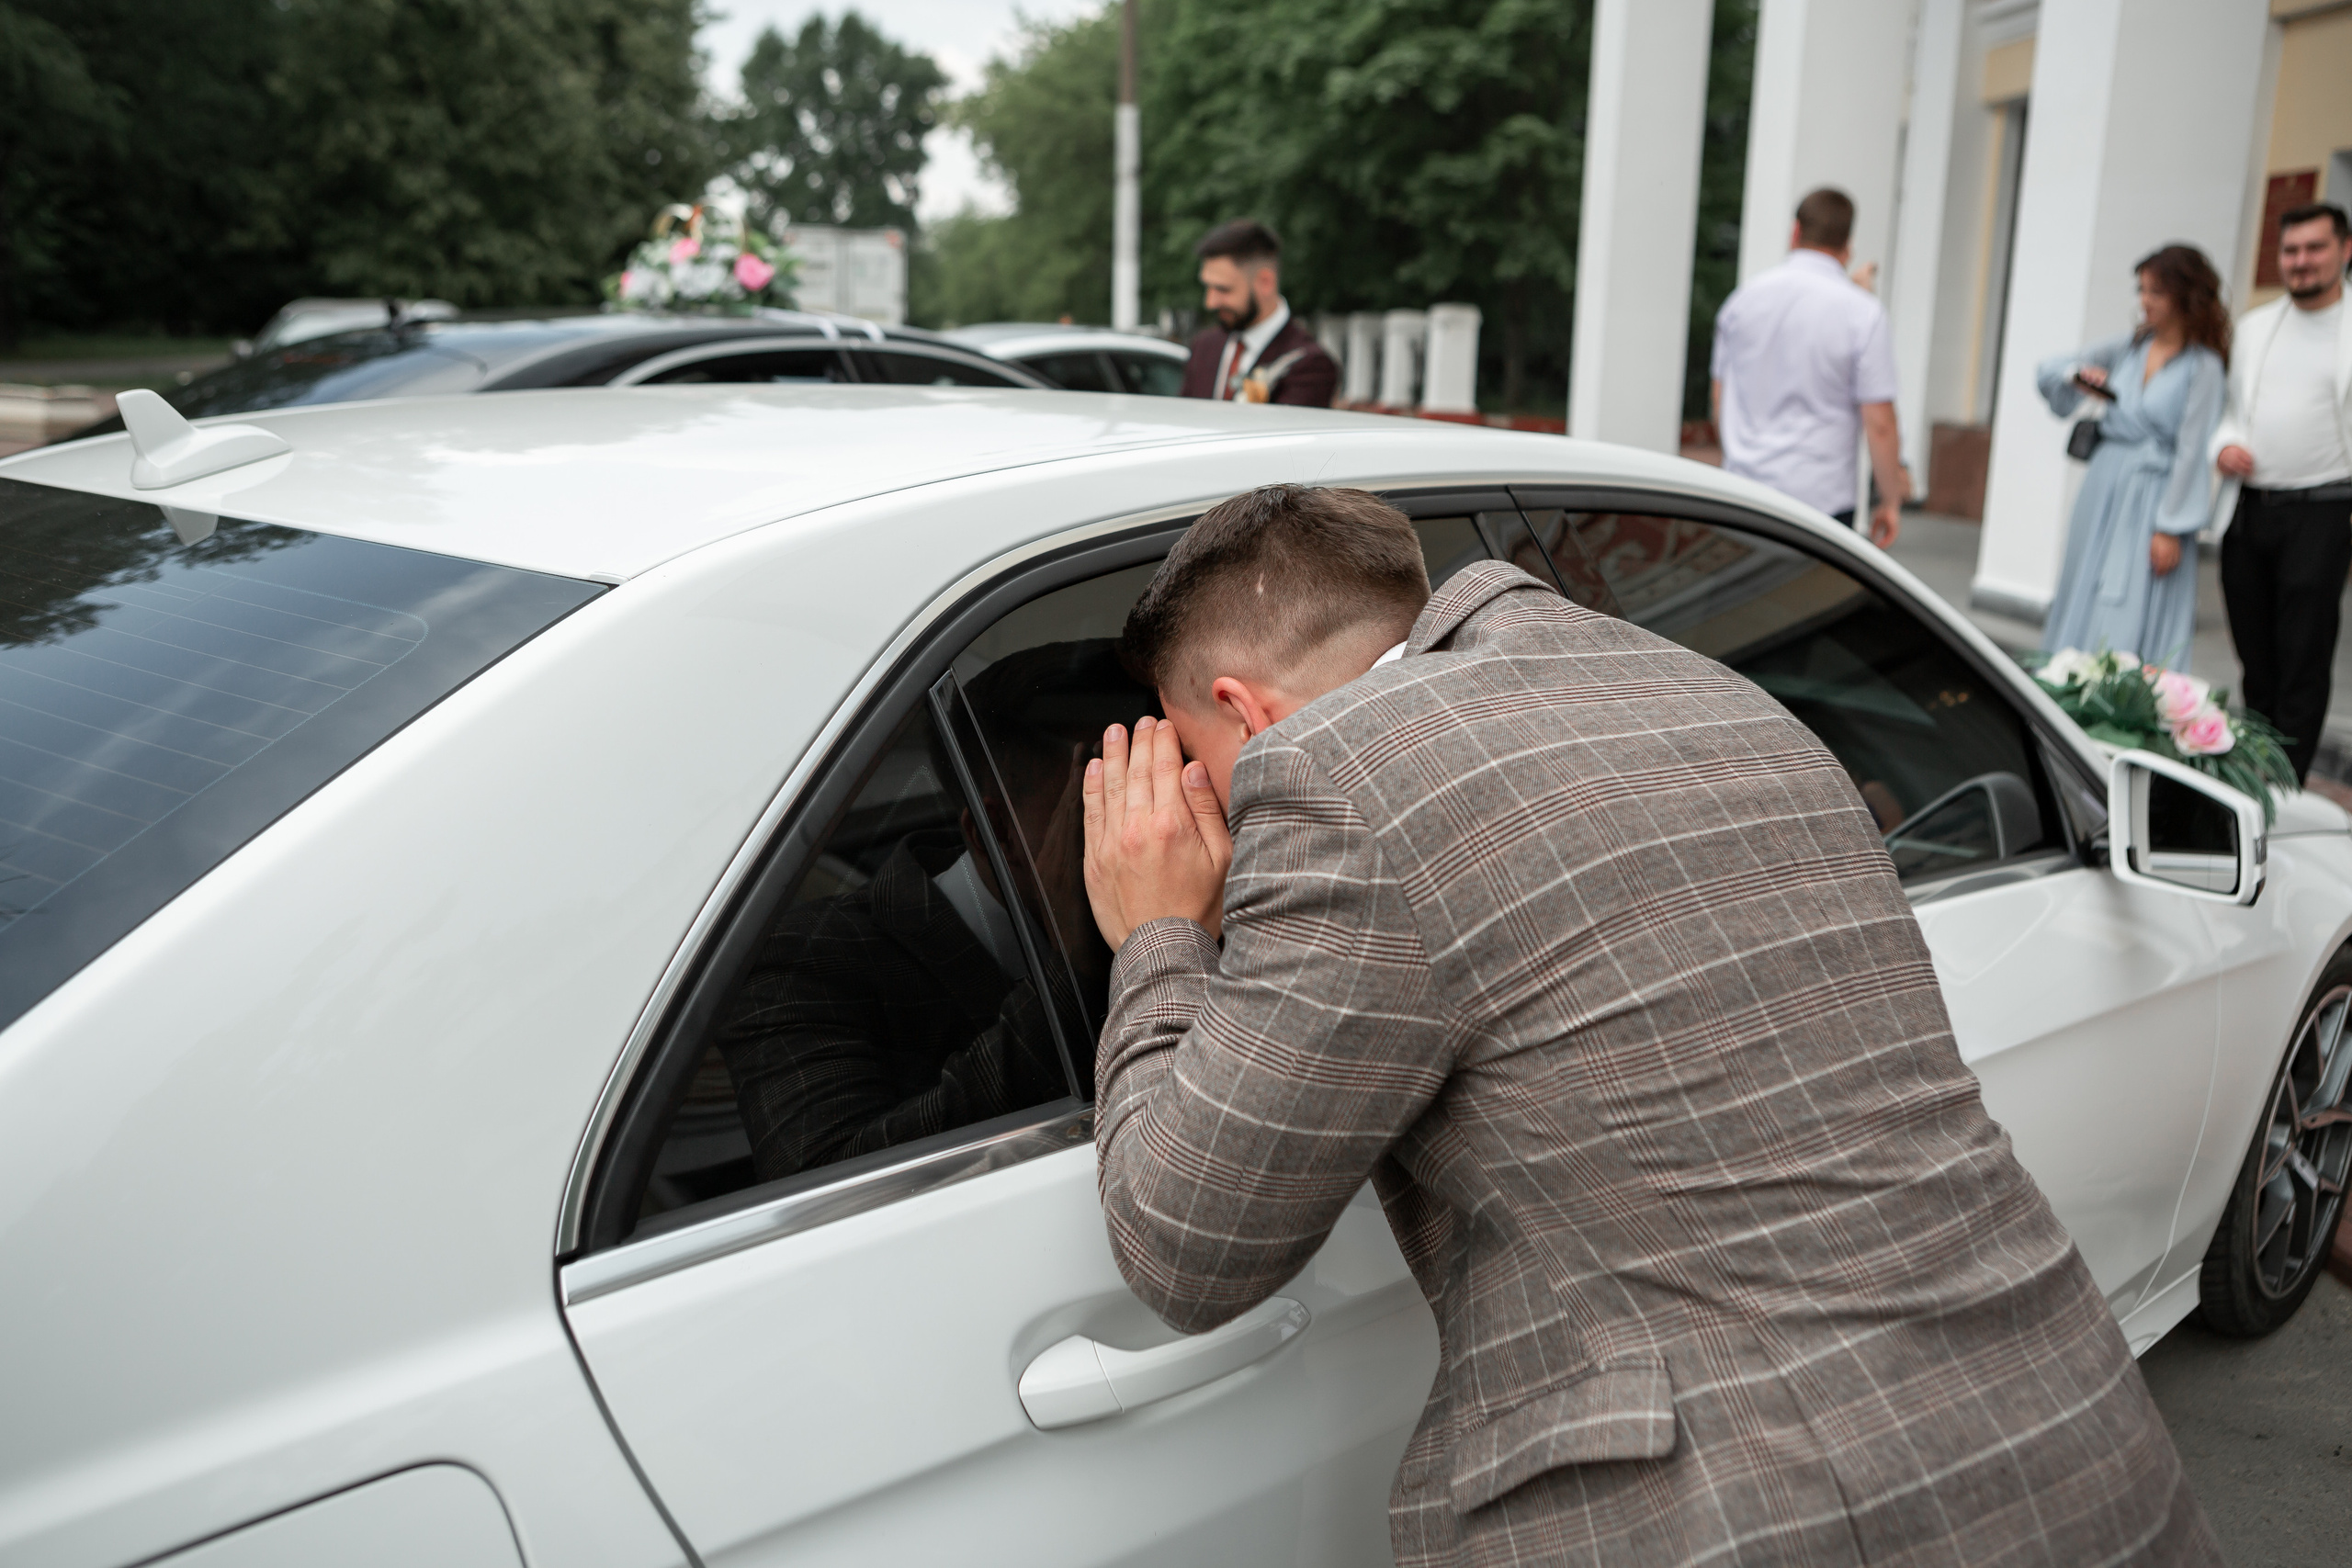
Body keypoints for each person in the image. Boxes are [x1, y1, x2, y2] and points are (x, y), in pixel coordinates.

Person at [1080, 484, 2218, 1567]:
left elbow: (1187, 1245)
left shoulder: (1332, 774)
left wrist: (1155, 934)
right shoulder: (1709, 687)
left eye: (1195, 764)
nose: (1213, 804)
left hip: (1773, 1515)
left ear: (1239, 710)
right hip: (2069, 1425)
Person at [716, 640, 1147, 1181]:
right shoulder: (801, 962)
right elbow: (838, 1188)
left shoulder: (1202, 888)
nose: (1151, 823)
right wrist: (1070, 970)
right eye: (1108, 794)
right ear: (996, 835)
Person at [2034, 244, 2230, 671]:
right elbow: (2049, 368)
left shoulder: (2205, 367)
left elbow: (2193, 450)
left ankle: (2118, 698)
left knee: (2132, 601)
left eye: (2156, 292)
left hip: (2153, 498)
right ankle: (2068, 682)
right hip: (2102, 485)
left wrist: (2171, 527)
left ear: (2186, 295)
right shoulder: (2129, 346)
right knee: (2084, 585)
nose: (2145, 301)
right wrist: (2079, 377)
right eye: (2142, 290)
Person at [2214, 202, 2352, 780]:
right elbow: (2227, 411)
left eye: (2315, 248)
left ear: (2345, 251)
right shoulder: (2255, 327)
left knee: (2303, 653)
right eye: (2291, 251)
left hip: (2322, 511)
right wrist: (2222, 446)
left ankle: (2287, 779)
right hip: (2249, 510)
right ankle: (2255, 765)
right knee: (2256, 652)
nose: (2301, 262)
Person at [1710, 186, 1909, 545]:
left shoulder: (1742, 301)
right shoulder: (1862, 313)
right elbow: (1880, 423)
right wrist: (1890, 500)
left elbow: (1720, 397)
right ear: (1847, 243)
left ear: (1795, 231)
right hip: (1820, 502)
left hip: (1742, 491)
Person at [1178, 220, 1339, 407]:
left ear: (1265, 282)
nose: (1210, 303)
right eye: (1208, 288)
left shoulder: (1310, 365)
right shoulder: (1204, 346)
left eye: (1223, 290)